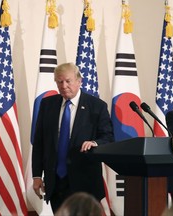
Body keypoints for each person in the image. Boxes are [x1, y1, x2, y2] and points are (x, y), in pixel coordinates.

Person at [32, 62, 114, 213]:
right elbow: (39, 143)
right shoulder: (47, 104)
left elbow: (108, 136)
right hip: (55, 181)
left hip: (85, 181)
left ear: (79, 81)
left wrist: (95, 142)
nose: (63, 86)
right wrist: (37, 175)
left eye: (68, 81)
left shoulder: (96, 106)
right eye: (59, 81)